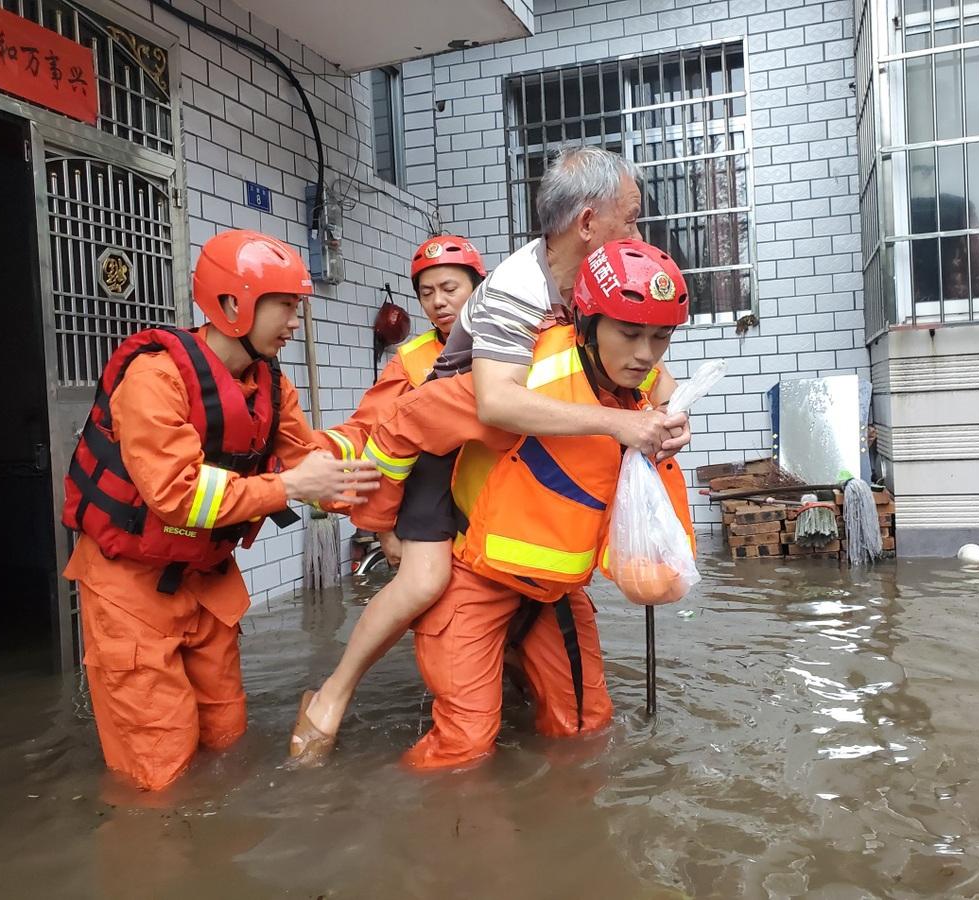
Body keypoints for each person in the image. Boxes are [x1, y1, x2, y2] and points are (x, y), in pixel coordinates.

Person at [289, 148, 691, 762]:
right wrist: (620, 425)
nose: (638, 234)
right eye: (631, 219)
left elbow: (639, 370)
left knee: (579, 721)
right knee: (423, 580)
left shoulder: (593, 288)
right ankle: (332, 696)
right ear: (588, 223)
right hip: (443, 449)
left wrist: (664, 414)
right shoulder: (519, 291)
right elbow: (496, 406)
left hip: (507, 485)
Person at [360, 238, 697, 768]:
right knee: (463, 749)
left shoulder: (639, 382)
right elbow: (401, 425)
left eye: (662, 337)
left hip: (553, 595)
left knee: (586, 730)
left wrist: (676, 421)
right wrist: (383, 528)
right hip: (475, 582)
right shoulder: (521, 377)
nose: (645, 354)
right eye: (630, 334)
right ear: (587, 324)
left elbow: (662, 385)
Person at [62, 229, 379, 791]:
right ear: (233, 304)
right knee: (160, 774)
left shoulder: (269, 384)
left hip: (206, 586)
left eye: (297, 306)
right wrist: (288, 489)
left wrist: (388, 457)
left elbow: (308, 462)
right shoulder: (154, 378)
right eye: (284, 305)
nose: (294, 322)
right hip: (131, 591)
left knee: (227, 744)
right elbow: (176, 495)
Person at [316, 235, 486, 565]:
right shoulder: (410, 359)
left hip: (507, 517)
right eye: (426, 293)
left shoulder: (508, 346)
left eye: (449, 289)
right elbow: (369, 429)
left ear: (479, 288)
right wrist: (311, 454)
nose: (438, 302)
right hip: (437, 524)